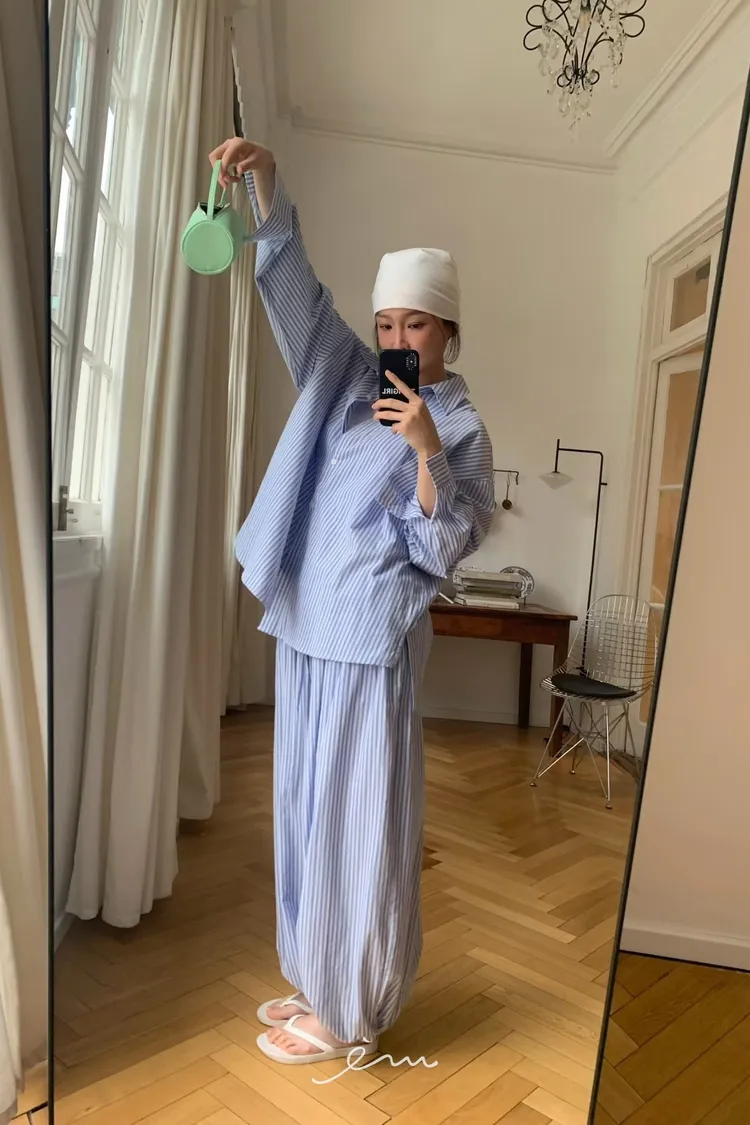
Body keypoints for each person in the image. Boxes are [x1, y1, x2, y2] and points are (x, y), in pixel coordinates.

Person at [209, 137, 496, 1065]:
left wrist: (425, 449)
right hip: (305, 621)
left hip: (371, 642)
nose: (397, 341)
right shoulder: (344, 376)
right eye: (386, 324)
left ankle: (353, 1009)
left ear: (448, 331)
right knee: (301, 810)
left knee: (358, 825)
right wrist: (267, 186)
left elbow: (442, 548)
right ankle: (317, 974)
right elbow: (299, 301)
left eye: (416, 325)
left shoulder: (461, 427)